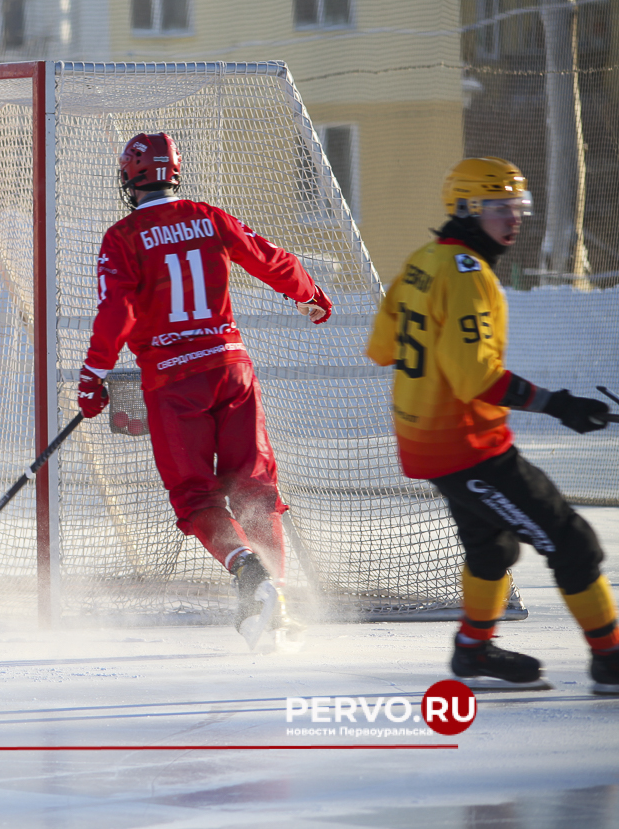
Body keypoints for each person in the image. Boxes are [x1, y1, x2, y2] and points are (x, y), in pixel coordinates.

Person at [366, 157, 616, 693]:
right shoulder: (468, 276)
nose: (514, 218)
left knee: (492, 548)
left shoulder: (423, 260)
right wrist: (560, 405)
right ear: (466, 209)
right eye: (500, 208)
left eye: (517, 207)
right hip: (467, 447)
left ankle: (473, 650)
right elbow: (475, 379)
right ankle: (610, 658)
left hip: (430, 444)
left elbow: (382, 347)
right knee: (571, 543)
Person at [74, 133, 332, 650]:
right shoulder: (210, 216)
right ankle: (275, 597)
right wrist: (308, 293)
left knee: (196, 498)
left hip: (174, 382)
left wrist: (93, 373)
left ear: (128, 179)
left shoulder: (122, 237)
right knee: (255, 488)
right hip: (231, 369)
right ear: (176, 172)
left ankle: (249, 575)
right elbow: (269, 257)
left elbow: (117, 312)